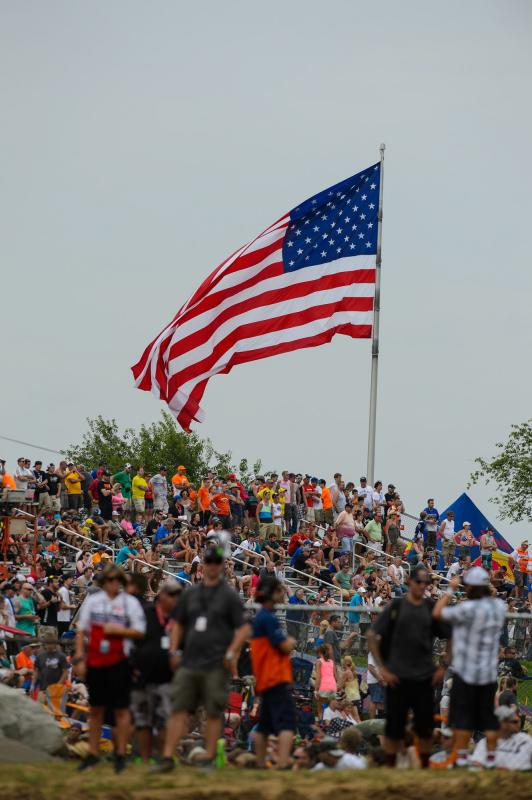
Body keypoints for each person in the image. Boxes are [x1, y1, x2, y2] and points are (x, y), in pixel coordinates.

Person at [156, 544, 251, 772]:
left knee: (213, 711)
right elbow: (178, 623)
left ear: (222, 566)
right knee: (179, 708)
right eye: (209, 562)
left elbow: (244, 628)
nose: (213, 566)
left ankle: (208, 758)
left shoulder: (229, 595)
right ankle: (168, 757)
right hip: (189, 660)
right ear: (203, 565)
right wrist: (173, 650)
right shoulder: (191, 593)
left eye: (217, 562)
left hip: (216, 663)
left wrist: (231, 652)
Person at [367, 564, 450, 768]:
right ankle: (391, 767)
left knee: (425, 728)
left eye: (426, 583)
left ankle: (422, 768)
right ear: (410, 582)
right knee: (394, 728)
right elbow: (371, 635)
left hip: (424, 676)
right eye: (419, 581)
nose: (423, 586)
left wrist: (443, 667)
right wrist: (383, 669)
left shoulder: (431, 607)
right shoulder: (396, 606)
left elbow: (451, 635)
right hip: (398, 676)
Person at [74, 564, 147, 773]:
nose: (113, 583)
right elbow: (81, 630)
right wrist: (79, 657)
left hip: (119, 660)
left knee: (121, 710)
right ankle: (93, 753)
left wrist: (119, 630)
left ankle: (121, 754)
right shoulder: (94, 601)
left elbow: (140, 632)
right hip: (96, 660)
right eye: (109, 579)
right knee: (96, 708)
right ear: (104, 581)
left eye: (117, 580)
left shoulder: (130, 603)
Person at [433, 566, 507, 768]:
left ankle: (463, 760)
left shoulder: (465, 609)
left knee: (464, 719)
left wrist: (450, 589)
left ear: (470, 588)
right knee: (488, 720)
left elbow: (437, 613)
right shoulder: (499, 607)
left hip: (465, 673)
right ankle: (491, 760)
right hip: (488, 674)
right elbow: (492, 597)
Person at [130, 579, 182, 762]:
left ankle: (164, 759)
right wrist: (132, 667)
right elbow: (131, 642)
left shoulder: (177, 620)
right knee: (143, 723)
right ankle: (144, 760)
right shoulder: (145, 613)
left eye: (178, 596)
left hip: (167, 679)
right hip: (142, 676)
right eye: (172, 595)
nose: (175, 599)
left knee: (164, 722)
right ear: (162, 596)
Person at [250, 576, 297, 769]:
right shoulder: (268, 618)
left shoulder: (261, 616)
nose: (282, 593)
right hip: (275, 677)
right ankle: (283, 763)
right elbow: (285, 646)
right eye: (279, 590)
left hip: (265, 678)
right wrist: (292, 641)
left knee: (265, 725)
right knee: (287, 723)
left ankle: (261, 764)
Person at [470, 705, 532, 770]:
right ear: (499, 723)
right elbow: (476, 764)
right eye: (513, 721)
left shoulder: (526, 740)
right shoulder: (486, 742)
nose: (517, 724)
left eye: (516, 721)